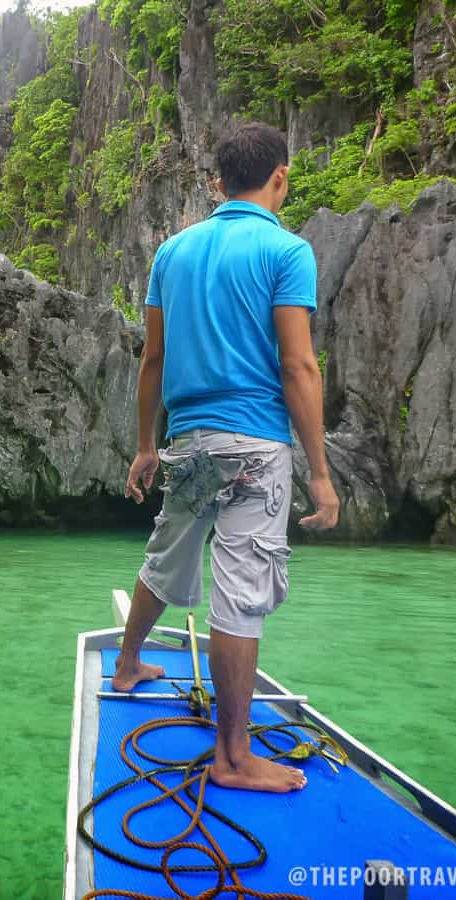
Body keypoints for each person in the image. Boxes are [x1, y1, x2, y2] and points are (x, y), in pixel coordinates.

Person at [113, 122, 340, 793]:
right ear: (281, 176)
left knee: (169, 553)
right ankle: (234, 758)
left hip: (188, 444)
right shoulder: (286, 250)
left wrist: (147, 445)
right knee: (240, 595)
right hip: (254, 446)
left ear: (217, 182)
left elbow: (151, 359)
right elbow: (297, 365)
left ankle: (127, 666)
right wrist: (321, 476)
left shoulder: (172, 253)